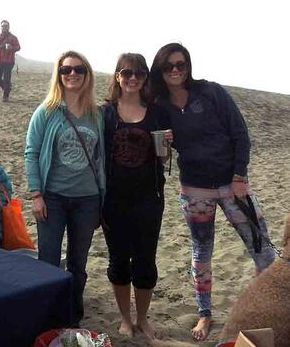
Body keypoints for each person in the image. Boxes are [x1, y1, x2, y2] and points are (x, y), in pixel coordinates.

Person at [149, 42, 276, 341]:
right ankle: (204, 313)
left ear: (188, 65)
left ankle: (267, 310)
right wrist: (164, 145)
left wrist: (239, 176)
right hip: (195, 190)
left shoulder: (211, 92)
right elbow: (162, 156)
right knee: (201, 252)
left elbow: (239, 132)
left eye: (181, 64)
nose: (176, 70)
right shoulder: (159, 106)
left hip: (233, 186)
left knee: (262, 249)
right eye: (169, 66)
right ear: (160, 70)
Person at [24, 51, 104, 327]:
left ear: (87, 74)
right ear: (58, 75)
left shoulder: (96, 114)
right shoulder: (46, 111)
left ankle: (72, 316)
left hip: (87, 199)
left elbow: (100, 157)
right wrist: (36, 194)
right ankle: (47, 317)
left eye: (78, 69)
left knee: (78, 264)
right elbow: (31, 152)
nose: (72, 74)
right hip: (53, 198)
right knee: (48, 261)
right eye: (65, 70)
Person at [100, 53, 172, 339]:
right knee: (118, 260)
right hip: (113, 199)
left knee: (145, 262)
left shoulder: (156, 112)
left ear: (145, 79)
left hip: (148, 199)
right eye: (127, 73)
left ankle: (142, 318)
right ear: (117, 76)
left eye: (139, 74)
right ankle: (125, 318)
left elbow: (163, 159)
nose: (132, 79)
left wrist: (167, 145)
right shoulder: (105, 113)